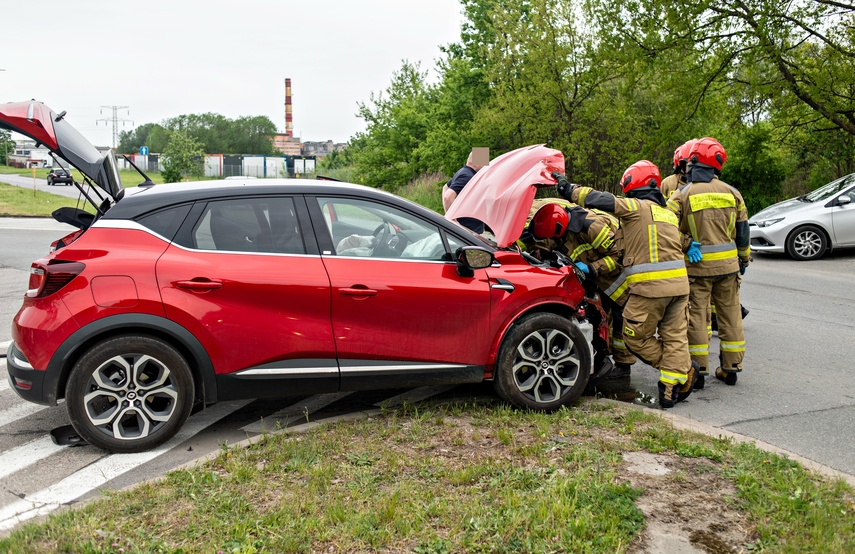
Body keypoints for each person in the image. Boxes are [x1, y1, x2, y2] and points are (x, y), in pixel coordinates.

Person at [556, 161, 698, 408]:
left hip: (650, 289)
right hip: (680, 288)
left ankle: (682, 369)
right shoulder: (666, 213)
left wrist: (569, 190)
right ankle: (670, 387)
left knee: (634, 337)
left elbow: (601, 200)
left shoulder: (637, 207)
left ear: (633, 187)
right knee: (674, 337)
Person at [666, 137, 750, 389]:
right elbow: (743, 234)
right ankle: (731, 369)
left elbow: (665, 227)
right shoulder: (733, 193)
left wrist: (684, 242)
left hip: (696, 269)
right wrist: (743, 259)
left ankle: (698, 371)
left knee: (698, 319)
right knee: (731, 316)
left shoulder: (681, 194)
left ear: (692, 162)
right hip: (729, 269)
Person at [527, 199, 637, 379]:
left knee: (620, 321)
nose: (553, 241)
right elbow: (547, 244)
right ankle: (604, 361)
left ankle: (624, 366)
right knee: (602, 320)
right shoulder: (560, 230)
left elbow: (619, 256)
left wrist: (592, 268)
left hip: (620, 279)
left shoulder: (592, 227)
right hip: (599, 281)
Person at [442, 150, 487, 233]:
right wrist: (452, 220)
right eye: (484, 163)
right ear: (476, 164)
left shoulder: (463, 172)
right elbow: (447, 197)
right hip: (467, 230)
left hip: (468, 229)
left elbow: (445, 187)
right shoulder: (467, 176)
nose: (486, 166)